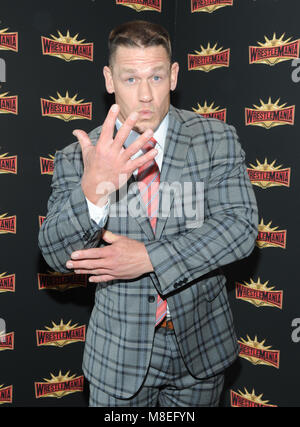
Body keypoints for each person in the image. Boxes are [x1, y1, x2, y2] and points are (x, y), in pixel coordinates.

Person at [38, 20, 258, 407]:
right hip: (119, 355)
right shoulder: (80, 155)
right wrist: (94, 190)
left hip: (202, 349)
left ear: (173, 75)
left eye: (156, 76)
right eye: (130, 79)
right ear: (109, 80)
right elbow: (56, 255)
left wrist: (147, 258)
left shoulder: (215, 138)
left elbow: (239, 228)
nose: (145, 95)